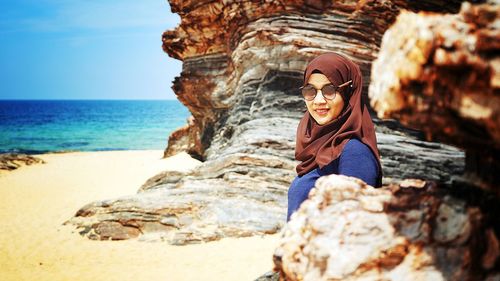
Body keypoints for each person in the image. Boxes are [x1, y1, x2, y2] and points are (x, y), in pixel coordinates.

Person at [287, 52, 383, 222]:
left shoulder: (354, 152)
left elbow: (353, 226)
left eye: (329, 90)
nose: (318, 100)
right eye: (310, 90)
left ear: (348, 93)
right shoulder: (319, 147)